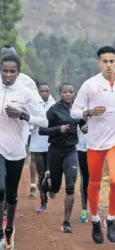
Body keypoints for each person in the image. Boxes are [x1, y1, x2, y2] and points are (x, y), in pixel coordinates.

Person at [0, 54, 48, 250]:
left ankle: (10, 228)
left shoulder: (27, 92)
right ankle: (0, 232)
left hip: (17, 148)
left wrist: (23, 115)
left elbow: (43, 121)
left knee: (11, 193)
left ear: (18, 73)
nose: (8, 75)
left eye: (12, 71)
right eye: (5, 71)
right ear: (0, 71)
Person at [0, 44, 55, 197]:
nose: (8, 73)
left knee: (11, 176)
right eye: (4, 55)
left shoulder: (26, 82)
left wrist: (25, 117)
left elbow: (40, 107)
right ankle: (0, 195)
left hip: (19, 133)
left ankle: (9, 199)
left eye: (11, 54)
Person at [71, 45, 115, 244]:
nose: (109, 65)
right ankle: (96, 220)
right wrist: (89, 112)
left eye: (112, 61)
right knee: (95, 183)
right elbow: (74, 112)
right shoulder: (90, 85)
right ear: (99, 62)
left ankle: (112, 219)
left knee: (114, 180)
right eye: (105, 61)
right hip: (95, 143)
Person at [38, 84, 86, 232]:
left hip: (71, 151)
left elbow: (83, 122)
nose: (68, 94)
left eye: (71, 92)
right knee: (55, 188)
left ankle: (66, 222)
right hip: (55, 151)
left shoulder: (78, 109)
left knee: (70, 187)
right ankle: (47, 182)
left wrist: (84, 127)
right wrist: (59, 129)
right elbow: (41, 130)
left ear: (74, 94)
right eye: (65, 92)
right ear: (60, 94)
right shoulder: (53, 110)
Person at [29, 82, 55, 213]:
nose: (44, 93)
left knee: (51, 175)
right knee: (41, 175)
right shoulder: (33, 104)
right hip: (37, 145)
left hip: (51, 145)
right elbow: (28, 121)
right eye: (42, 91)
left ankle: (52, 188)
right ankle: (43, 202)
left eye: (47, 91)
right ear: (37, 92)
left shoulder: (54, 105)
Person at [77, 121, 90, 223]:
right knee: (84, 178)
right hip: (81, 149)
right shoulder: (77, 108)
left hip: (97, 148)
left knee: (95, 179)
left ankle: (95, 204)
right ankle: (84, 208)